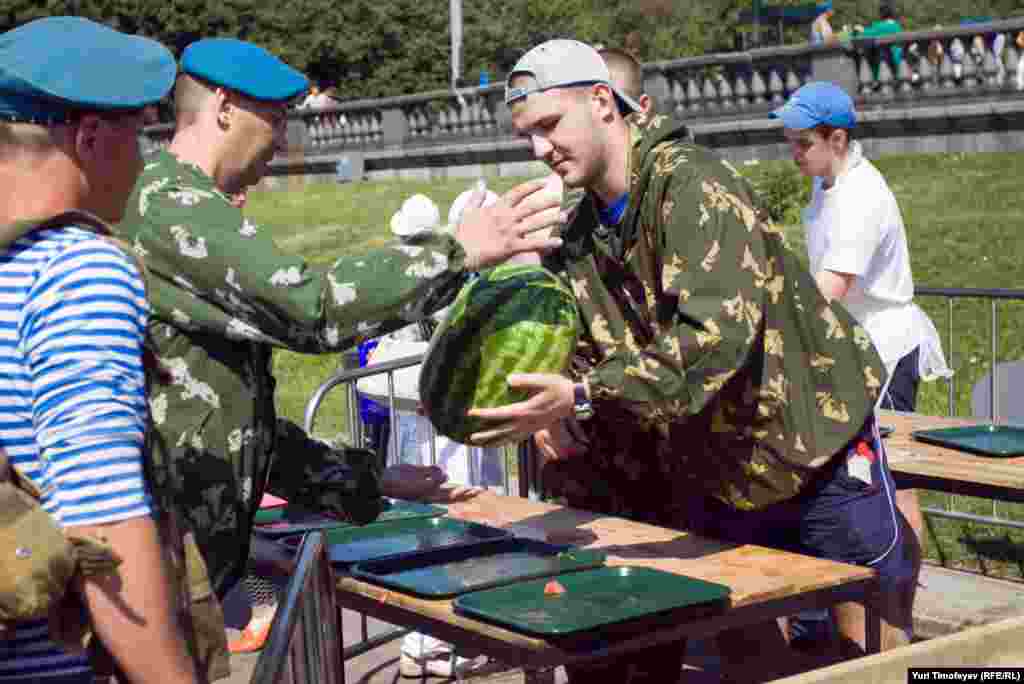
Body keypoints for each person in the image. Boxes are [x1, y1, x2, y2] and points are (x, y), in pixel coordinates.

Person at [476, 39, 920, 682]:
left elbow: (711, 339)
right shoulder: (582, 233)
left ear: (602, 102)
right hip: (717, 460)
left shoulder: (691, 183)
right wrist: (552, 405)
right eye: (527, 135)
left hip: (810, 440)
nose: (539, 149)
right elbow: (585, 344)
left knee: (866, 619)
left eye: (549, 126)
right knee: (736, 626)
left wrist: (579, 397)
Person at [113, 35, 561, 671]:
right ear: (222, 107)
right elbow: (312, 310)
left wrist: (369, 480)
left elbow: (234, 420)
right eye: (275, 119)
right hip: (155, 582)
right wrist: (456, 253)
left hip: (190, 577)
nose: (283, 141)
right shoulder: (171, 205)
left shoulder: (185, 204)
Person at [0, 16, 198, 684]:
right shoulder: (76, 268)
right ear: (90, 138)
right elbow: (102, 515)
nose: (144, 161)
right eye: (137, 135)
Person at [774, 80, 951, 649]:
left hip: (883, 346)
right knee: (879, 480)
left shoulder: (861, 195)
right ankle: (871, 609)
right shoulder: (830, 185)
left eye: (803, 143)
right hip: (852, 345)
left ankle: (897, 610)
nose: (794, 153)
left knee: (891, 480)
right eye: (792, 142)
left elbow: (829, 286)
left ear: (838, 138)